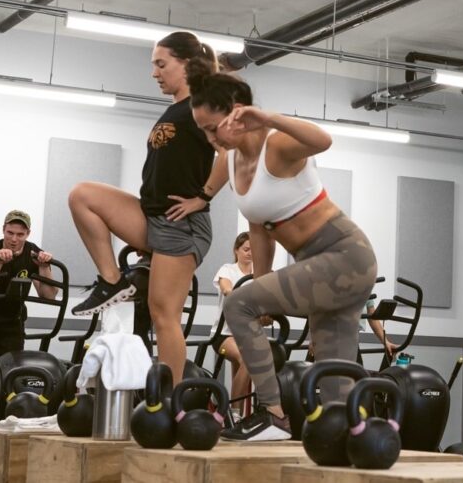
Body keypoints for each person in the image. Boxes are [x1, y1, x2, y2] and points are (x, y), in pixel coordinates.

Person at [187, 63, 377, 442]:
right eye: (203, 130)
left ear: (238, 113)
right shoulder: (231, 160)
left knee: (237, 304)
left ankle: (273, 414)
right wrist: (263, 286)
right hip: (316, 263)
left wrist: (268, 117)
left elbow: (323, 140)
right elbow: (260, 229)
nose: (209, 138)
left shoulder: (277, 144)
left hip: (345, 255)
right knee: (334, 385)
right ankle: (347, 442)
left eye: (212, 127)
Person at [67, 32, 227, 383]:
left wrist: (203, 197)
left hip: (181, 225)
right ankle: (111, 281)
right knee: (82, 196)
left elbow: (231, 153)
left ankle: (169, 402)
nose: (155, 73)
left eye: (161, 64)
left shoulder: (201, 106)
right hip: (151, 214)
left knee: (163, 315)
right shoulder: (174, 108)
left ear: (185, 64)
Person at [0, 210, 59, 423]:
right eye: (10, 233)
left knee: (11, 375)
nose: (14, 239)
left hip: (11, 322)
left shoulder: (34, 254)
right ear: (3, 230)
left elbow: (49, 294)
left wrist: (44, 267)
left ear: (27, 234)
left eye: (20, 234)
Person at [211, 231, 253, 417]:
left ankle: (243, 417)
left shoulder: (258, 274)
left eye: (253, 250)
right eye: (246, 249)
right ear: (236, 250)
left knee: (244, 364)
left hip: (247, 334)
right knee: (248, 360)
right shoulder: (227, 269)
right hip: (224, 335)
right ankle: (234, 413)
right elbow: (227, 288)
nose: (249, 253)